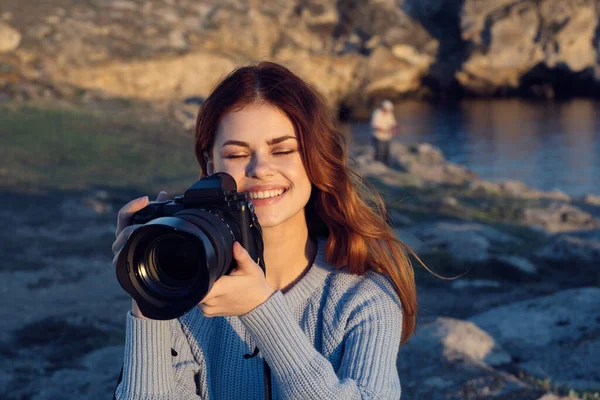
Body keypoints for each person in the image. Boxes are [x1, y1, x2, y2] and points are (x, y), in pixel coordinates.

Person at [111, 62, 418, 399]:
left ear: (315, 159)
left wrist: (263, 312)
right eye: (238, 154)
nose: (260, 169)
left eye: (282, 150)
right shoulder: (188, 294)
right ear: (211, 167)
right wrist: (150, 298)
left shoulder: (362, 298)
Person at [370, 100, 398, 166]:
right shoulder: (376, 113)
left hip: (387, 137)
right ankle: (376, 166)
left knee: (387, 153)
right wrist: (386, 131)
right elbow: (375, 126)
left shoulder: (390, 114)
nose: (388, 111)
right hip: (378, 137)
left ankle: (386, 166)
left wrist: (395, 129)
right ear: (383, 108)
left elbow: (393, 124)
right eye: (387, 109)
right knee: (379, 152)